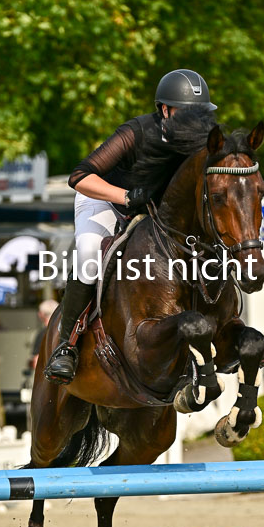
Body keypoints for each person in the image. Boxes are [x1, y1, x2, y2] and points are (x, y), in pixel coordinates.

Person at [43, 69, 217, 384]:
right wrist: (125, 196)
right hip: (104, 200)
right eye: (187, 112)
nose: (196, 120)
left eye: (200, 112)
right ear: (165, 110)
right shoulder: (137, 132)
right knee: (88, 253)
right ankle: (65, 346)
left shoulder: (201, 141)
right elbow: (80, 178)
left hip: (154, 212)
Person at [30, 298, 59, 371]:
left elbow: (36, 362)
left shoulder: (42, 334)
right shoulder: (67, 333)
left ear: (41, 314)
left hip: (49, 377)